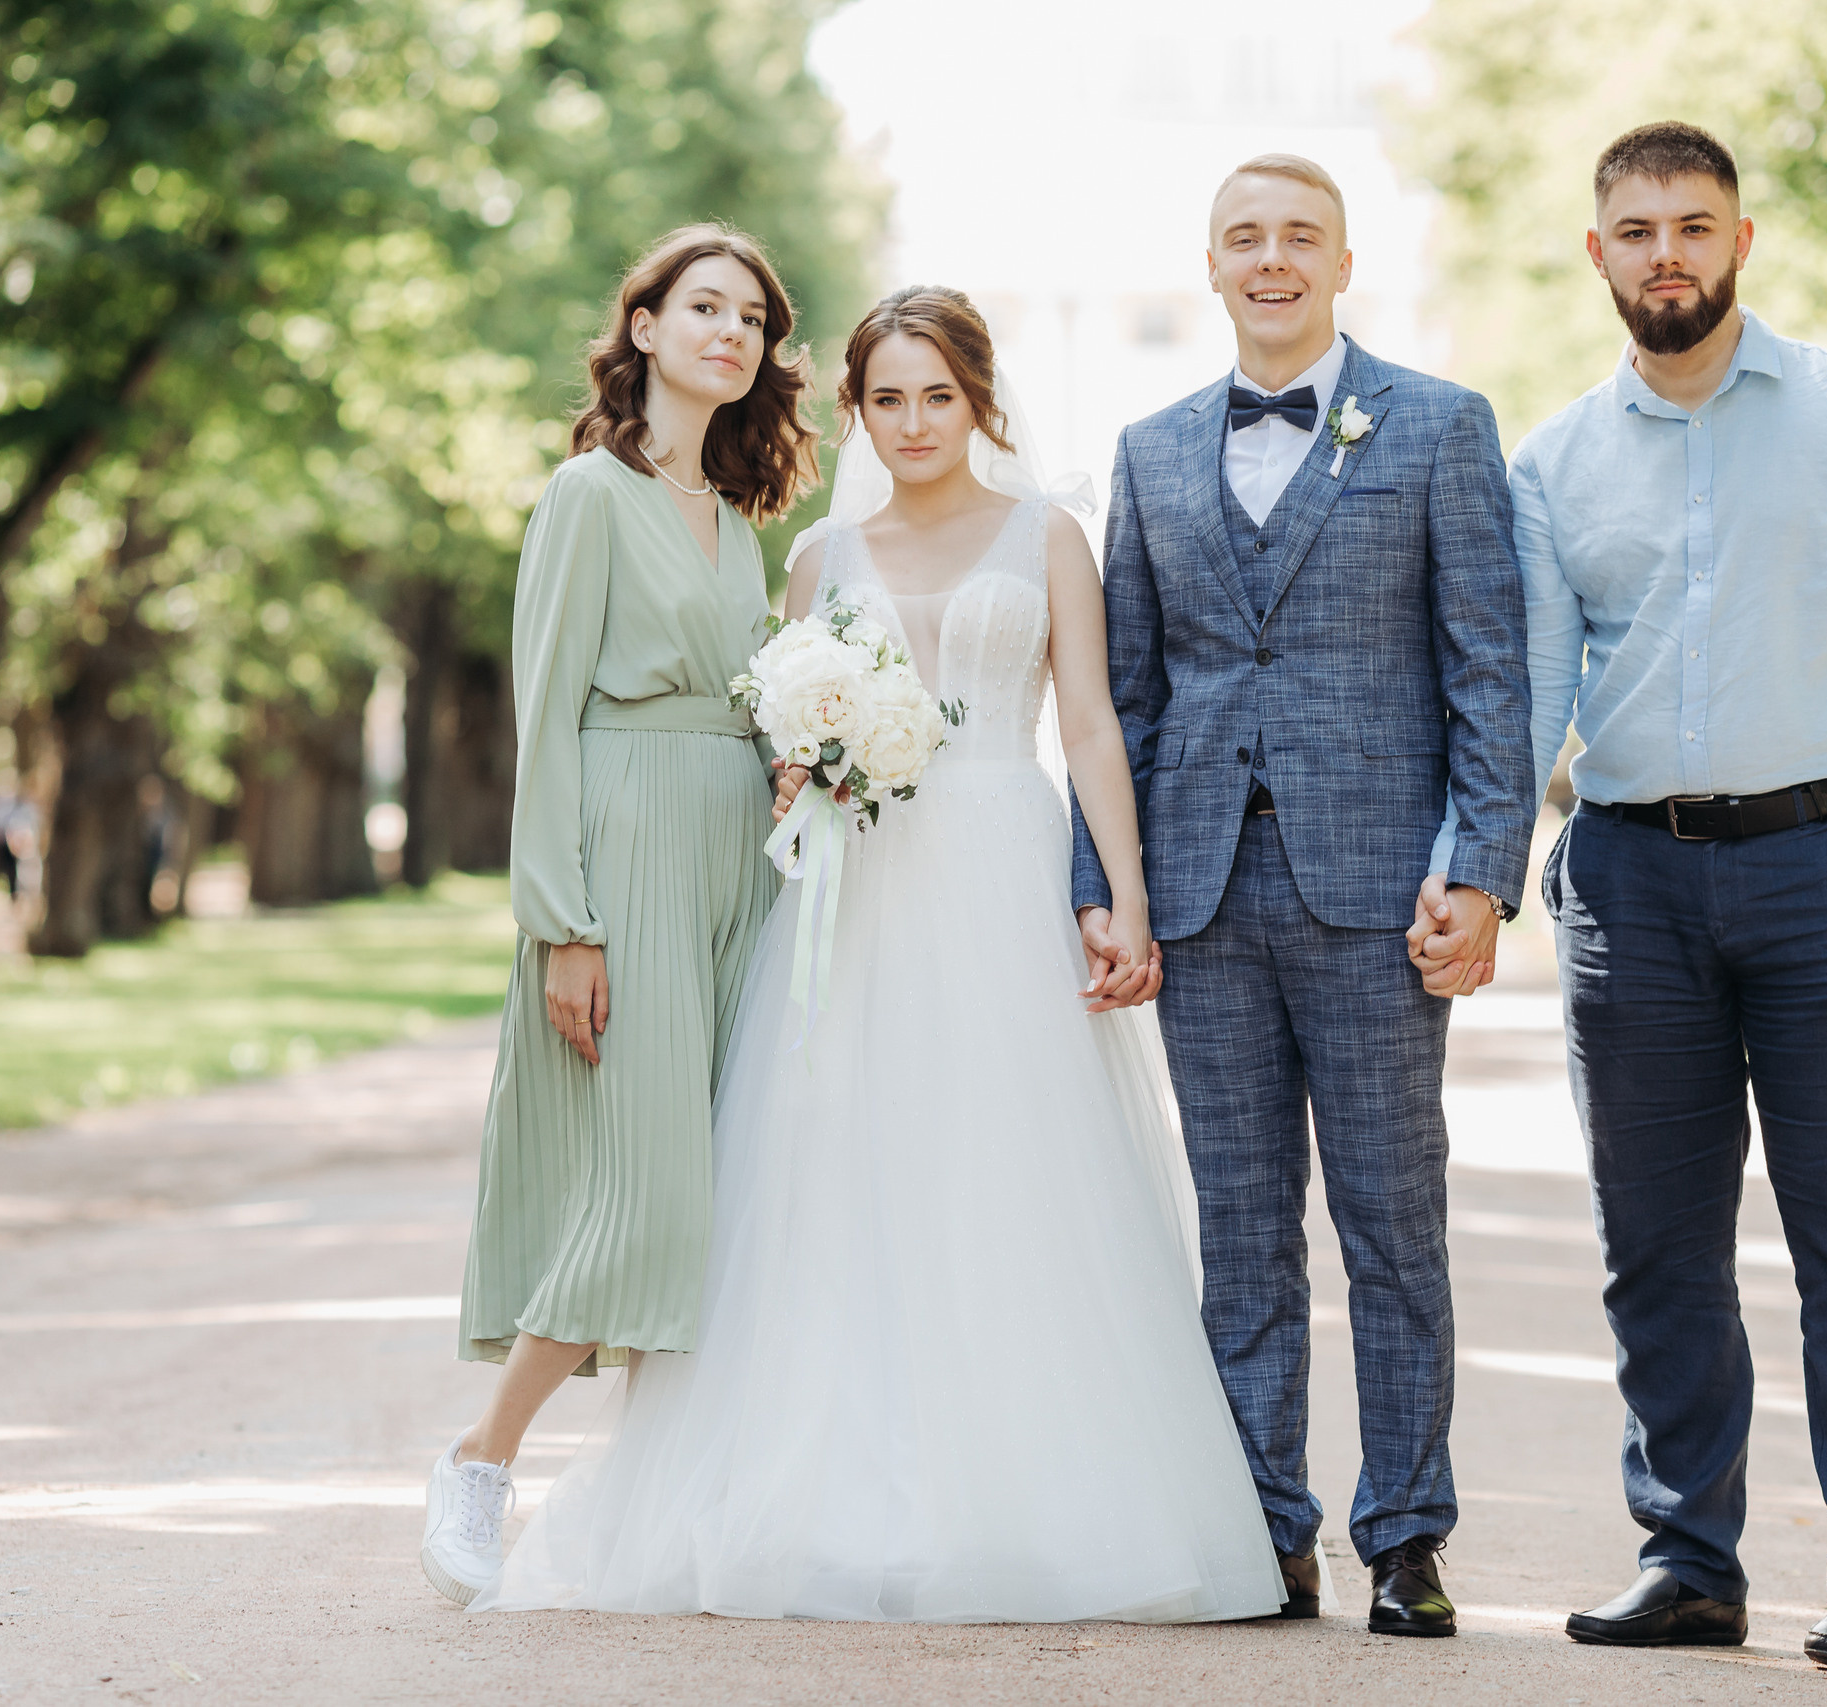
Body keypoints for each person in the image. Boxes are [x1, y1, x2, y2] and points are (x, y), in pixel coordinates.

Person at [472, 287, 1286, 1624]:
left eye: (940, 396)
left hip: (1000, 870)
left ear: (980, 402)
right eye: (888, 398)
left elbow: (1087, 726)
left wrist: (1122, 893)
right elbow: (773, 746)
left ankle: (1023, 1498)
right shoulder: (817, 558)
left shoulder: (1049, 539)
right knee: (830, 1174)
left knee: (1004, 1170)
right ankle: (821, 1495)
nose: (915, 423)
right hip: (849, 891)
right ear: (856, 412)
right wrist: (805, 763)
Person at [1488, 122, 1827, 1673]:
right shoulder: (1554, 461)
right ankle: (1689, 1557)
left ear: (1741, 240)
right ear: (1598, 254)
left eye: (1696, 226)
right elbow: (1530, 689)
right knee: (1654, 1244)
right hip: (1631, 878)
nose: (1669, 253)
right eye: (1639, 228)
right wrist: (1487, 871)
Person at [1070, 154, 1538, 1636]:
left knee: (1396, 1225)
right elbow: (1120, 699)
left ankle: (1405, 1532)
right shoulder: (1146, 452)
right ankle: (1260, 1526)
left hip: (1379, 895)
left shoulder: (1441, 427)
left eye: (1299, 239)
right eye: (1243, 239)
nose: (1271, 261)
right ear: (1210, 267)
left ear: (1345, 263)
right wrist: (1108, 887)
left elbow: (1490, 673)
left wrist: (1480, 871)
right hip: (1204, 892)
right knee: (1243, 1228)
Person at [423, 224, 823, 1606]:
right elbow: (548, 720)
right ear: (644, 325)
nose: (733, 332)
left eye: (754, 318)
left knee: (712, 1187)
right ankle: (483, 1458)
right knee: (643, 1189)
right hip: (628, 848)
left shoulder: (736, 519)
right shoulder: (586, 495)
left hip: (736, 858)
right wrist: (566, 925)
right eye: (703, 306)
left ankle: (655, 1500)